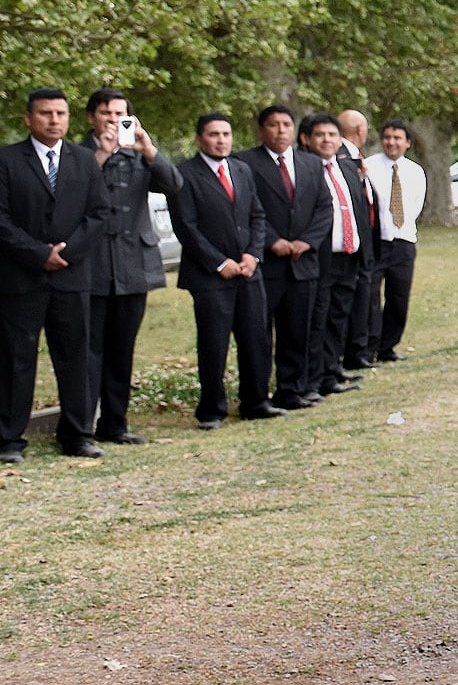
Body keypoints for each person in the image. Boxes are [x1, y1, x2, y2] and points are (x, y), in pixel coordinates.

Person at [0, 89, 111, 462]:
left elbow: (99, 214)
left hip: (72, 276)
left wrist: (68, 252)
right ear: (28, 118)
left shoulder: (84, 161)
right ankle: (10, 440)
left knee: (76, 356)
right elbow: (1, 219)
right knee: (16, 359)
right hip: (21, 278)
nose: (54, 120)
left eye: (60, 113)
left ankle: (78, 434)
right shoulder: (7, 160)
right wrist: (38, 254)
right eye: (45, 113)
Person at [80, 87, 182, 445]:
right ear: (92, 116)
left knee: (122, 348)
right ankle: (82, 426)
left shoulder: (139, 155)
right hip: (91, 266)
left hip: (133, 265)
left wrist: (149, 148)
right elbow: (71, 189)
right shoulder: (79, 153)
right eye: (106, 112)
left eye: (120, 113)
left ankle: (115, 423)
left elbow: (175, 185)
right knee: (89, 350)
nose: (112, 119)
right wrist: (103, 154)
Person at [173, 112, 279, 430]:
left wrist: (252, 256)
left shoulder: (242, 169)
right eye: (213, 134)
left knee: (256, 338)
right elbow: (186, 227)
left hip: (248, 271)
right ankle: (212, 409)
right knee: (213, 342)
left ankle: (256, 401)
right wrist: (219, 262)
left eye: (226, 134)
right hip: (210, 277)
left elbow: (257, 216)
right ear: (198, 139)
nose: (221, 140)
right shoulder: (184, 174)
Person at [233, 105, 330, 410]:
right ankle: (256, 396)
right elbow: (247, 207)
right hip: (266, 263)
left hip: (303, 263)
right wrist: (272, 241)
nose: (280, 130)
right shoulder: (245, 163)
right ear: (261, 130)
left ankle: (293, 390)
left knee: (298, 331)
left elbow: (324, 208)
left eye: (286, 124)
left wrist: (306, 242)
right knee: (258, 333)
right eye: (273, 125)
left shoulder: (312, 164)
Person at [300, 113, 366, 396]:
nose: (327, 140)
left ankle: (332, 369)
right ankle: (315, 377)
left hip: (348, 254)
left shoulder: (346, 168)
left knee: (339, 316)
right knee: (319, 319)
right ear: (306, 139)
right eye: (320, 135)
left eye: (332, 135)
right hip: (320, 256)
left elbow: (356, 209)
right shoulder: (305, 170)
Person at [362, 119, 425, 362]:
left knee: (398, 297)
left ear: (407, 143)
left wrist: (401, 226)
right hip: (377, 241)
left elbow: (416, 206)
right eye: (387, 137)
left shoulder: (415, 171)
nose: (391, 142)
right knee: (370, 297)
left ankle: (388, 347)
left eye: (397, 138)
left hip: (404, 240)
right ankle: (368, 346)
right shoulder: (368, 167)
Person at [336, 108, 382, 370]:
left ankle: (361, 348)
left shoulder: (356, 158)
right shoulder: (342, 158)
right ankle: (354, 350)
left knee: (366, 294)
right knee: (356, 297)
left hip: (366, 238)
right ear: (360, 130)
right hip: (354, 242)